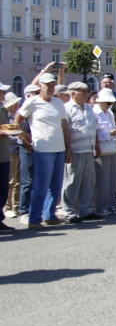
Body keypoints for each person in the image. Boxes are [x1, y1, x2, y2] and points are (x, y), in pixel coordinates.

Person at [14, 73, 71, 229]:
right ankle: (34, 218)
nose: (51, 87)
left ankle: (49, 215)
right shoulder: (32, 102)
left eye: (53, 85)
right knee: (41, 185)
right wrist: (25, 139)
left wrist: (68, 148)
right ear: (40, 86)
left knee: (56, 185)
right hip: (42, 149)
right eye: (48, 85)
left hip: (59, 147)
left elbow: (64, 127)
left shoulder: (58, 103)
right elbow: (17, 121)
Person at [62, 82, 102, 223]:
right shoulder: (66, 108)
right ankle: (69, 212)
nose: (86, 94)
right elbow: (65, 130)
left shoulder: (88, 108)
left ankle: (85, 210)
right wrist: (68, 148)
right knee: (72, 181)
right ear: (72, 93)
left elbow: (94, 127)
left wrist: (97, 145)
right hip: (75, 150)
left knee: (88, 181)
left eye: (86, 91)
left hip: (89, 149)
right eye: (82, 91)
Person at [93, 89, 116, 215]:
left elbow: (112, 130)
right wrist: (109, 134)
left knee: (112, 179)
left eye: (111, 103)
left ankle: (112, 205)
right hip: (102, 149)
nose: (109, 105)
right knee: (102, 180)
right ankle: (101, 207)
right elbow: (95, 133)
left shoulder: (110, 113)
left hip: (112, 148)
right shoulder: (94, 112)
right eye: (107, 102)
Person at [15, 84, 39, 226]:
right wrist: (27, 144)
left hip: (39, 147)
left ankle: (34, 209)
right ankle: (24, 211)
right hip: (27, 148)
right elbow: (20, 129)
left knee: (37, 180)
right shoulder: (24, 109)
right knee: (28, 180)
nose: (37, 95)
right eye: (35, 93)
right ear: (28, 95)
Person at [4, 92, 22, 222]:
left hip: (19, 149)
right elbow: (9, 133)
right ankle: (8, 207)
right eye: (14, 103)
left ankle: (16, 206)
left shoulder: (17, 115)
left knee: (19, 180)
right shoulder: (5, 116)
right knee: (10, 181)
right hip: (10, 150)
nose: (16, 105)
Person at [0, 82, 12, 231]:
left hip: (4, 154)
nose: (4, 94)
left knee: (3, 188)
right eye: (2, 91)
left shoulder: (3, 108)